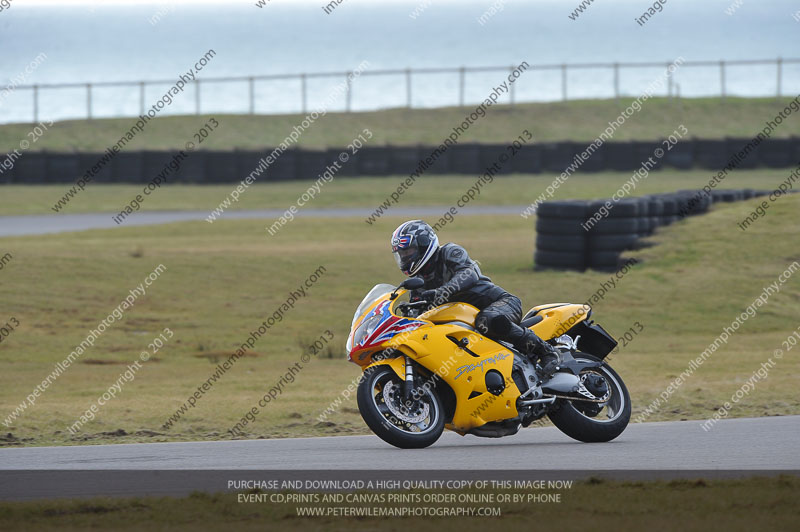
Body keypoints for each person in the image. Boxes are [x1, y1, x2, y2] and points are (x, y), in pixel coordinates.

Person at [390, 220, 562, 375]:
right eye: (401, 254)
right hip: (467, 324)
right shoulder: (418, 284)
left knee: (487, 320)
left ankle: (545, 351)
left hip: (501, 303)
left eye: (408, 251)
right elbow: (418, 322)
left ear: (423, 244)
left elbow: (468, 274)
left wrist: (442, 291)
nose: (405, 257)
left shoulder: (449, 252)